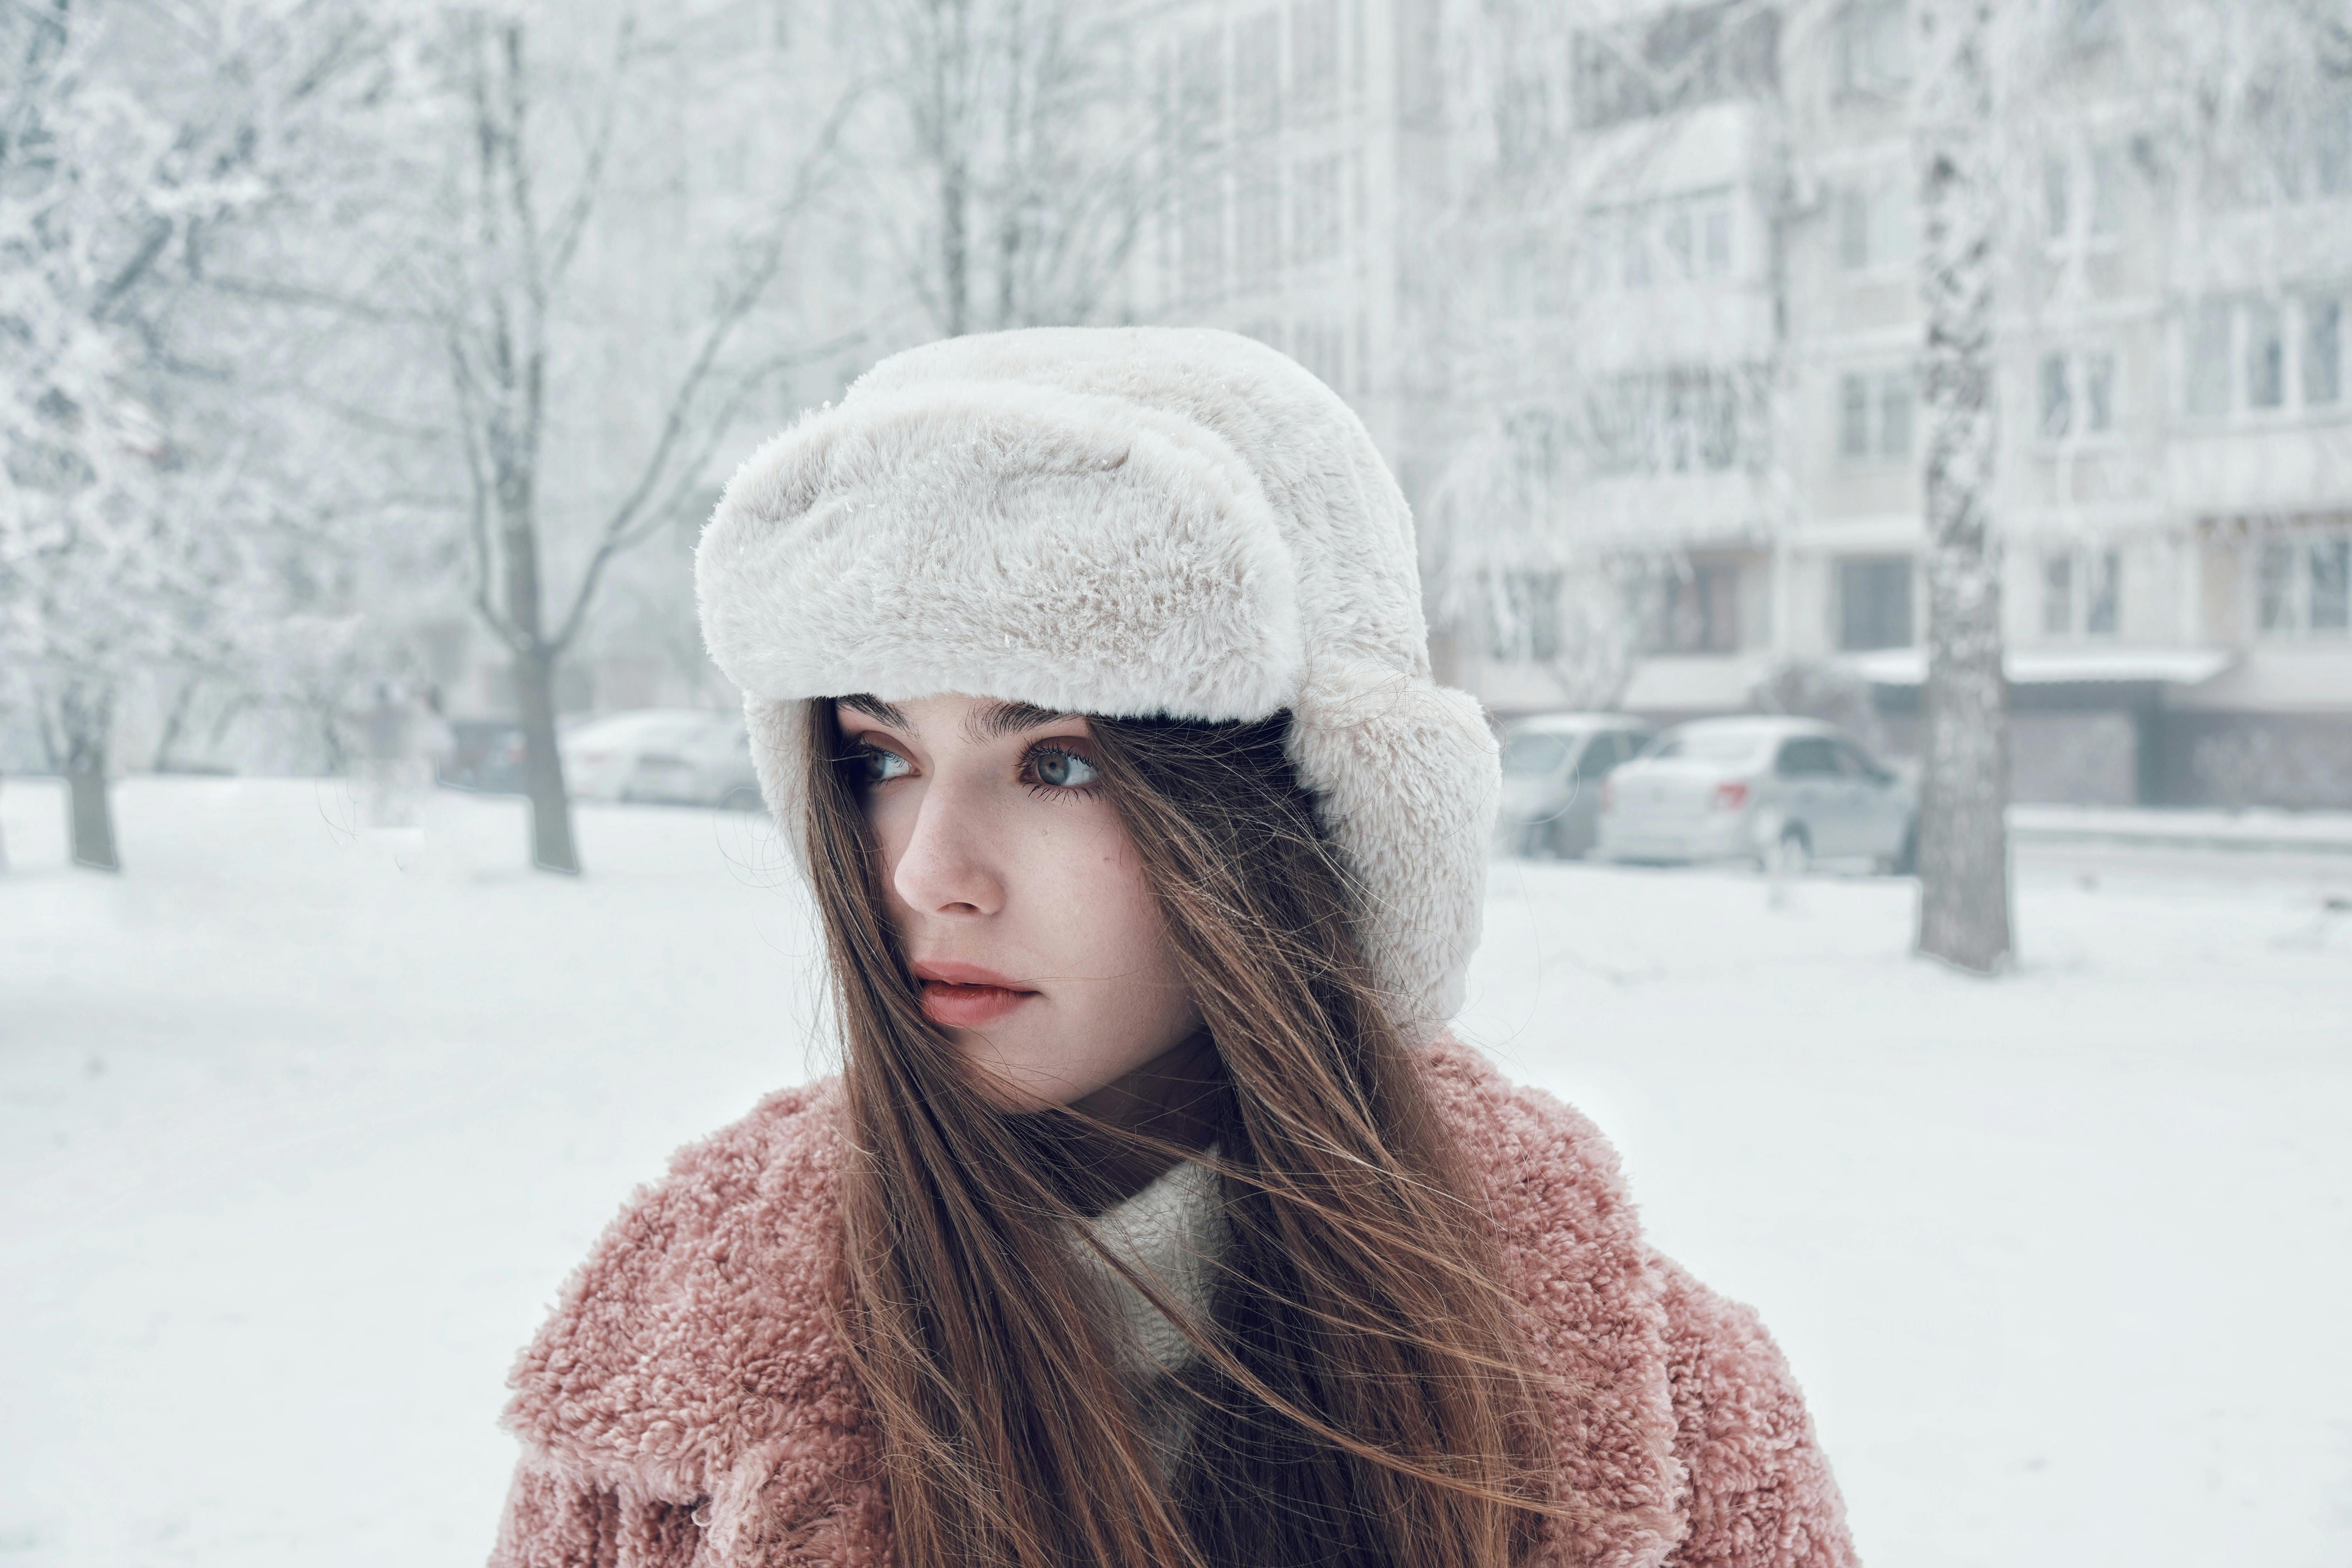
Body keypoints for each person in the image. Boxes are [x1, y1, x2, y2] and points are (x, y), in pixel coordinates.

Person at [489, 330, 1855, 1568]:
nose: (926, 872)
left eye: (1058, 761)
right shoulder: (662, 1405)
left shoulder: (1671, 1419)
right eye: (881, 753)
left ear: (1289, 818)